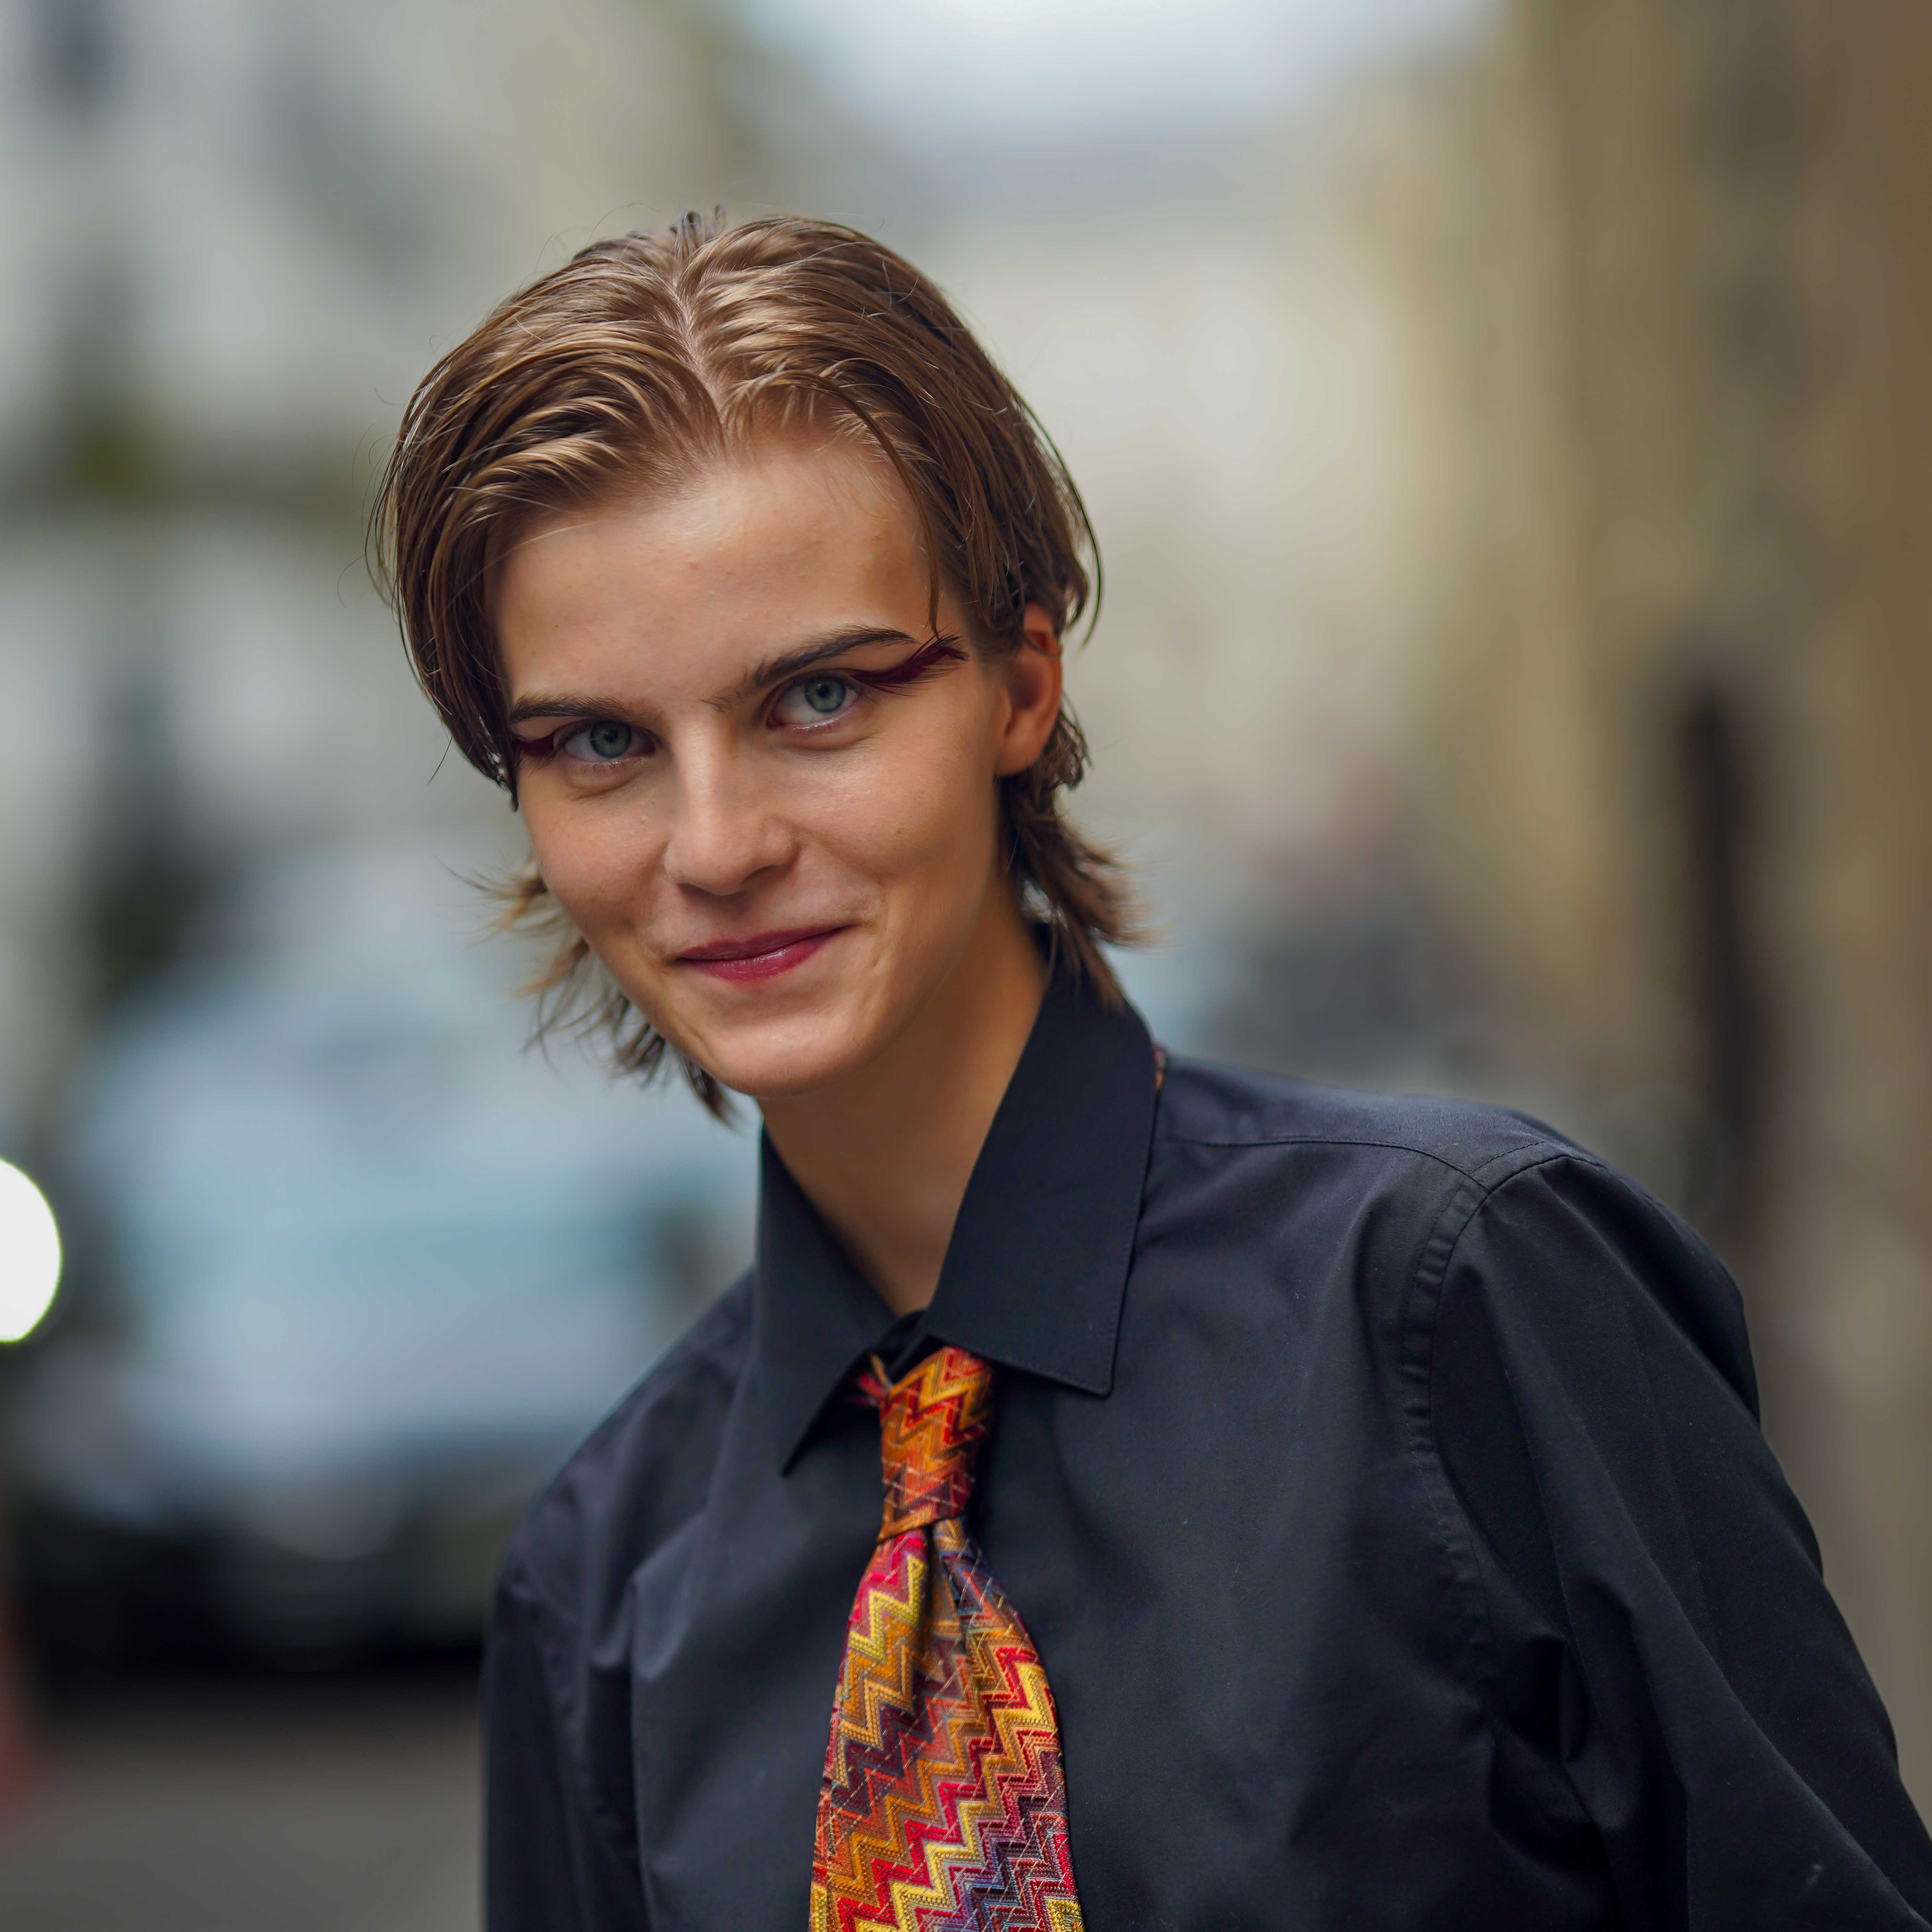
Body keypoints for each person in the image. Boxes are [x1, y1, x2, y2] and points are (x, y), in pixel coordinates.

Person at [374, 214, 1932, 1931]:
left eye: (817, 697)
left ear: (1022, 680)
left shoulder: (1467, 1300)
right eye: (602, 743)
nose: (718, 841)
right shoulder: (600, 1580)